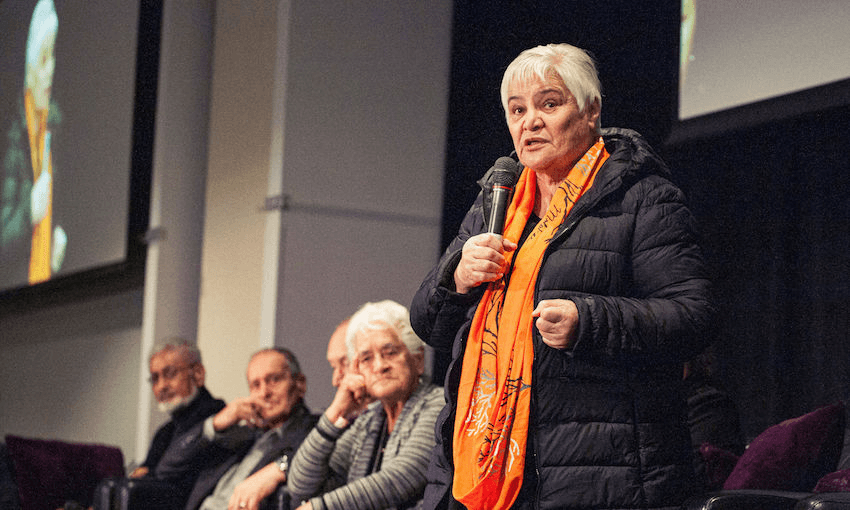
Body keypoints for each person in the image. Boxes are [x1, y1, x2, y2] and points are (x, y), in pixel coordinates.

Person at [410, 43, 715, 510]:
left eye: (549, 104)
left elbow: (693, 317)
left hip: (603, 475)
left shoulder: (645, 197)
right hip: (484, 463)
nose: (529, 121)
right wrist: (456, 278)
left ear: (590, 111)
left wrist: (588, 320)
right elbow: (428, 326)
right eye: (517, 109)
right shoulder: (497, 201)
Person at [287, 300, 445, 510]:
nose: (379, 366)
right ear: (357, 369)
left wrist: (321, 508)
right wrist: (335, 412)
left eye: (390, 352)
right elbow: (300, 486)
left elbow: (403, 476)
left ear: (417, 360)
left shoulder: (438, 403)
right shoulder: (368, 421)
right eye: (367, 358)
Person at [155, 347, 319, 510]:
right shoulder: (241, 435)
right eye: (255, 385)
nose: (264, 392)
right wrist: (216, 423)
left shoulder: (314, 429)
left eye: (274, 380)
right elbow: (166, 469)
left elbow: (318, 456)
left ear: (300, 384)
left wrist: (280, 467)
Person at [1, 0, 67, 286]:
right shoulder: (13, 140)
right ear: (29, 70)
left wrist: (55, 259)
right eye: (42, 59)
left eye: (52, 56)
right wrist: (30, 210)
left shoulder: (51, 131)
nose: (49, 69)